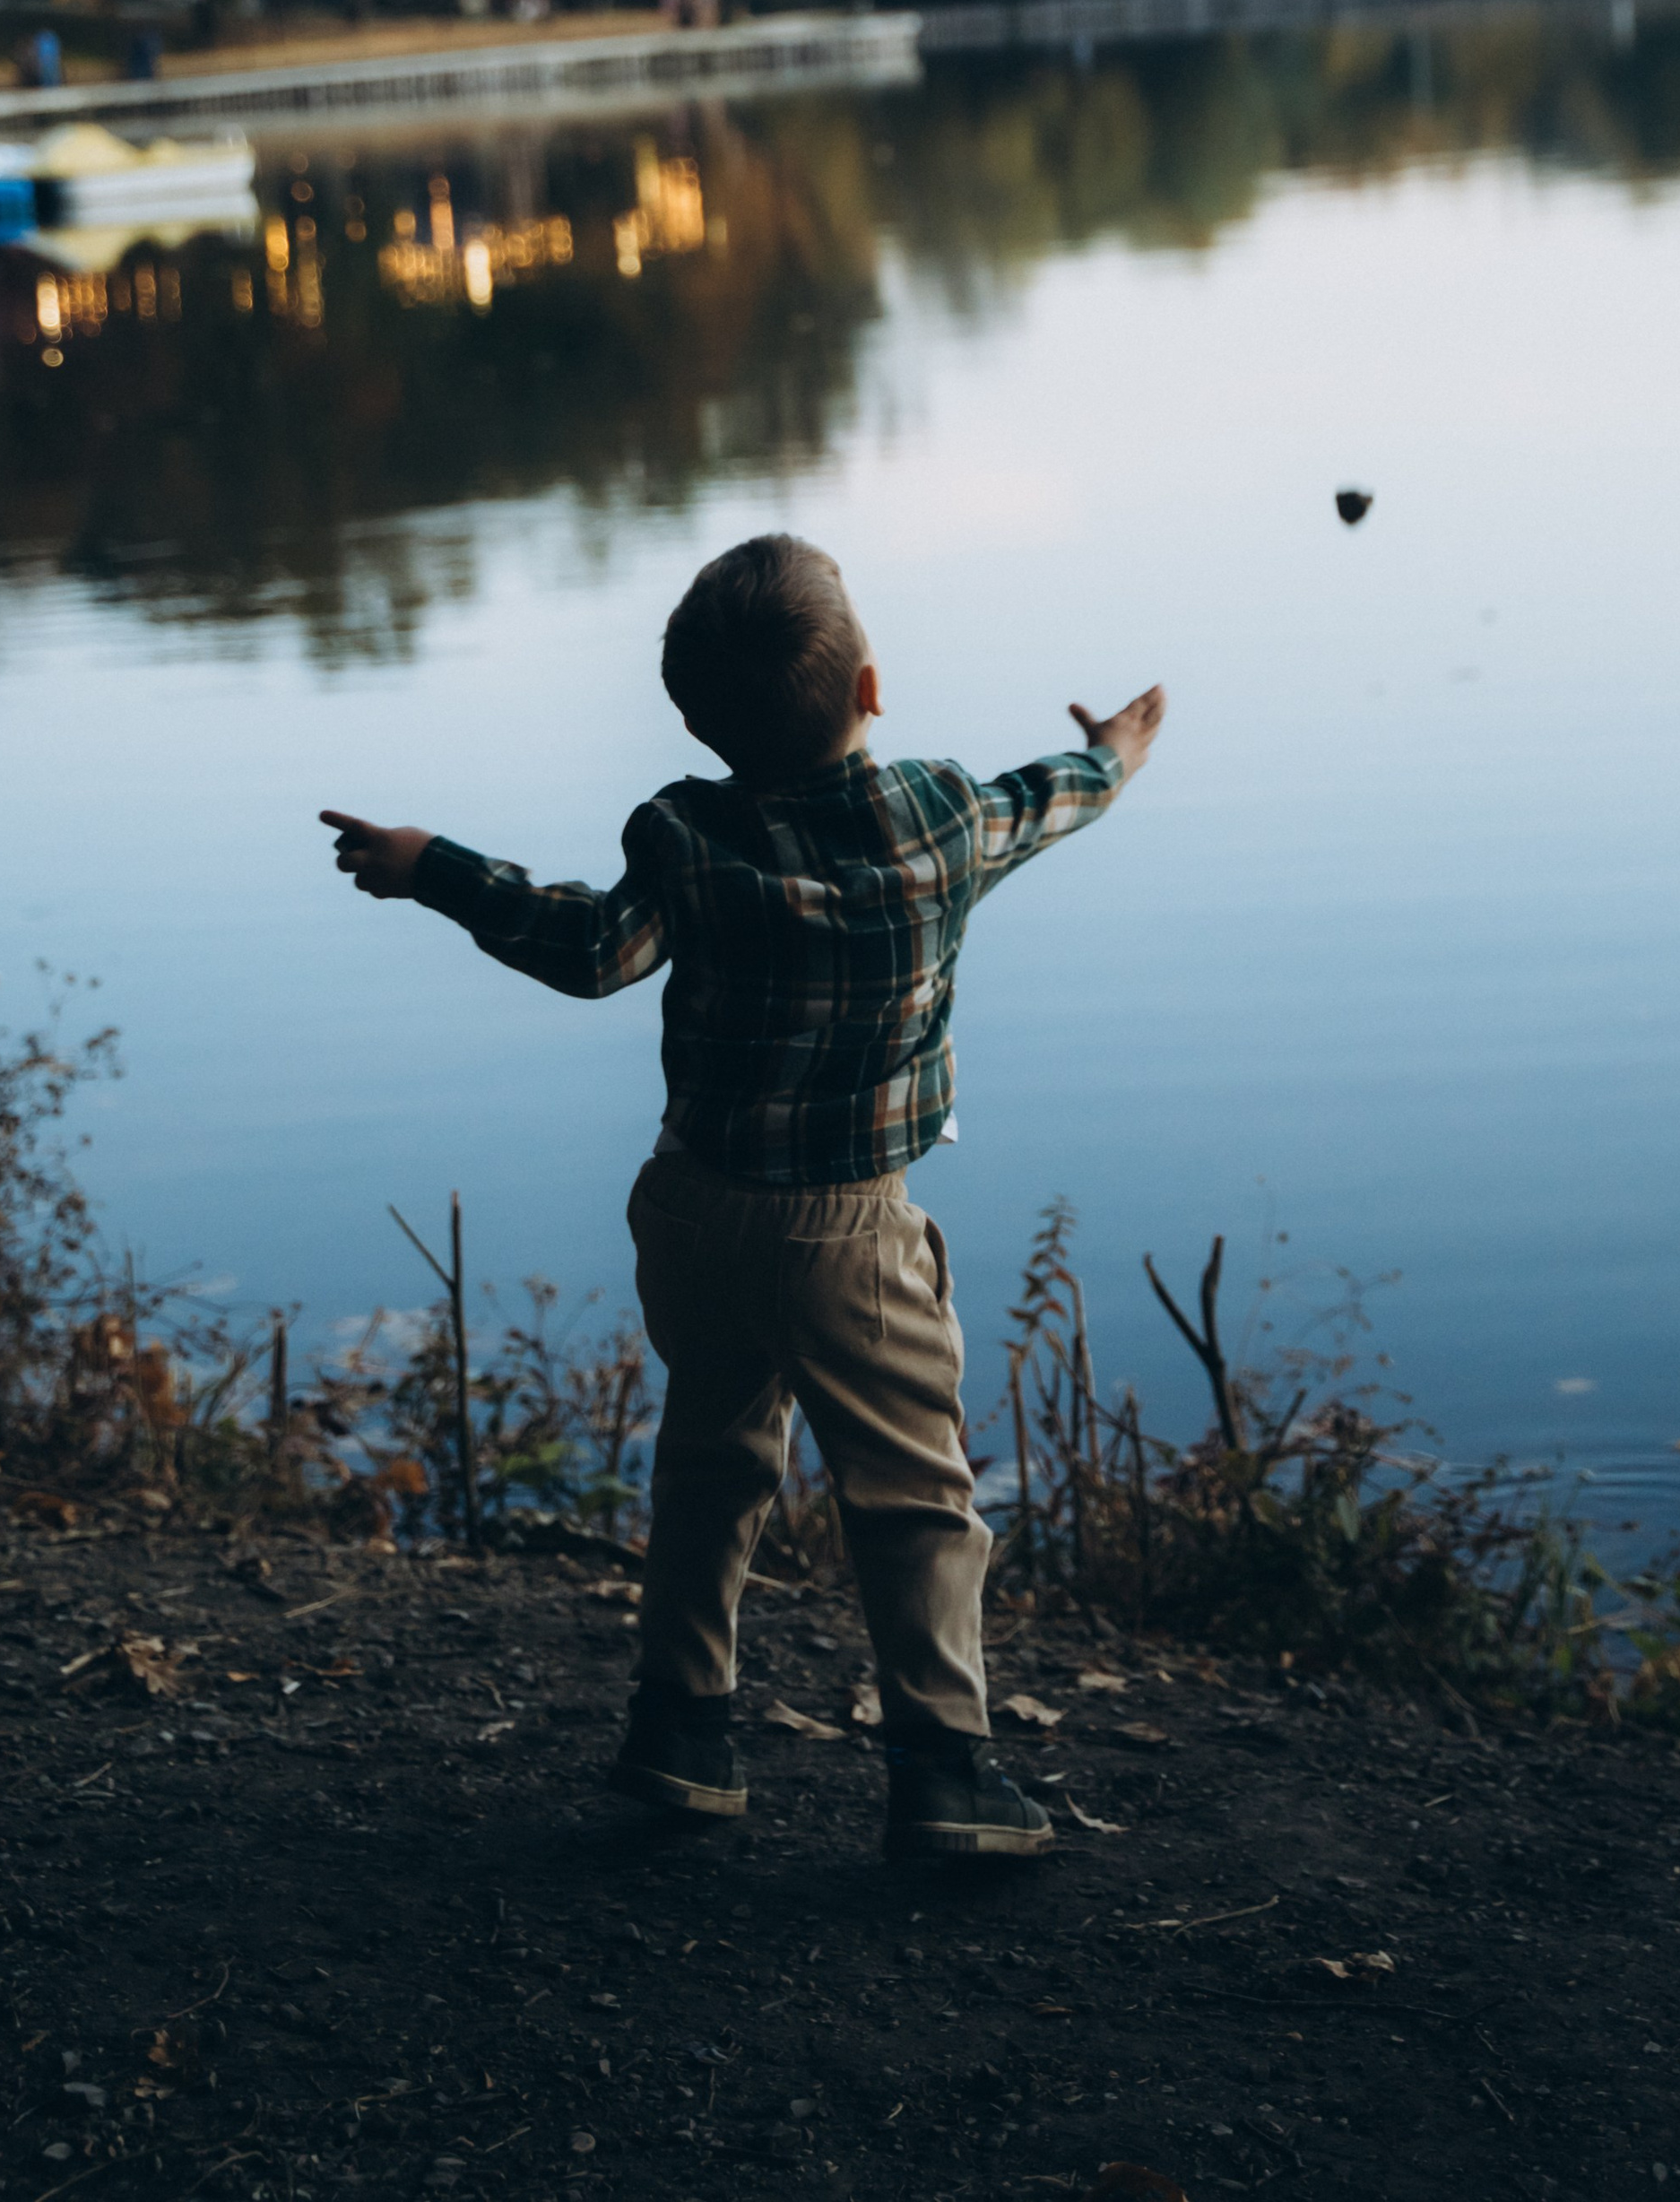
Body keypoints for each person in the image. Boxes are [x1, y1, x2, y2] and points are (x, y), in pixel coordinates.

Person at [320, 533, 1164, 1863]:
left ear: (699, 723)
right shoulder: (943, 820)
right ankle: (945, 1770)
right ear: (871, 689)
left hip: (696, 1212)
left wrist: (436, 866)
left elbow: (591, 951)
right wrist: (1114, 750)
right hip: (849, 1235)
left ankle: (682, 1731)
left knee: (710, 1462)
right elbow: (1050, 798)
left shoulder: (686, 835)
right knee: (913, 1495)